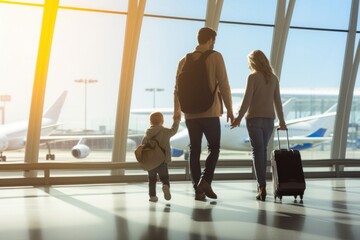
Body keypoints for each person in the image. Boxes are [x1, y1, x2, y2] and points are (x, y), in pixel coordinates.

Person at [174, 27, 234, 201]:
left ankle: (198, 191)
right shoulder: (215, 56)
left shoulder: (183, 60)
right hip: (210, 111)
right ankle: (205, 181)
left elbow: (177, 89)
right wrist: (230, 109)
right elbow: (224, 84)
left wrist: (177, 110)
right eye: (213, 41)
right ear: (210, 40)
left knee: (194, 150)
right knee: (214, 147)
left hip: (190, 114)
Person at [230, 49, 287, 201]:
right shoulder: (274, 78)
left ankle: (261, 186)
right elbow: (278, 103)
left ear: (253, 62)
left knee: (257, 152)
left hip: (254, 119)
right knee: (263, 151)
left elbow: (246, 100)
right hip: (269, 120)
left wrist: (238, 118)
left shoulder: (252, 77)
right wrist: (282, 121)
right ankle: (262, 185)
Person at [142, 111, 180, 202]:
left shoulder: (147, 133)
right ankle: (165, 185)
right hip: (162, 161)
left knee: (152, 179)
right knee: (164, 177)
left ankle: (152, 196)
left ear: (150, 122)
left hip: (151, 162)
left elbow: (143, 146)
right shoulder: (166, 132)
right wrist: (176, 120)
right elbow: (174, 130)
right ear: (162, 121)